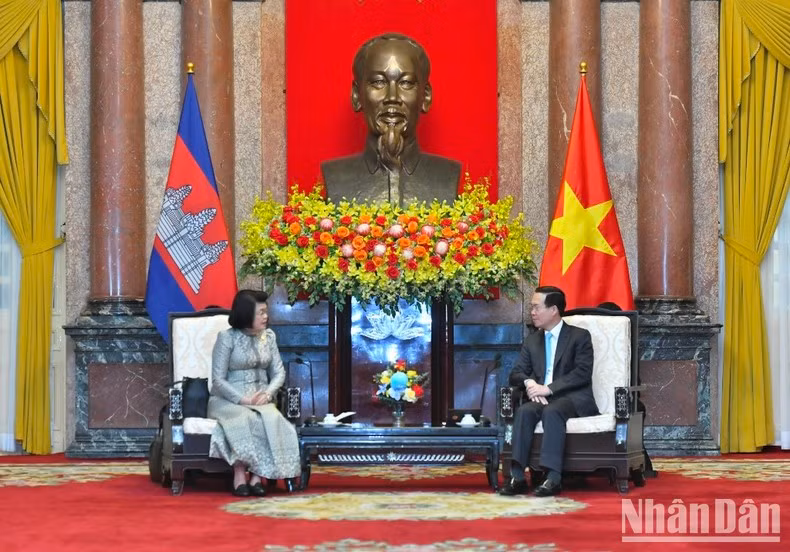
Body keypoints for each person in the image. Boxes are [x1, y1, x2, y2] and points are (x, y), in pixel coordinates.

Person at [321, 33, 461, 207]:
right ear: (357, 95)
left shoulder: (447, 176)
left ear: (425, 96)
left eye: (406, 83)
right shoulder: (335, 177)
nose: (392, 97)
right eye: (378, 82)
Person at [500, 286, 599, 497]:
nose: (532, 312)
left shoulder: (579, 336)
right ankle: (517, 477)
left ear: (553, 310)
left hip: (572, 398)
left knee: (552, 411)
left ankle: (553, 478)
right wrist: (530, 383)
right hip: (541, 399)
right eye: (532, 308)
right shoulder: (532, 340)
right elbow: (516, 373)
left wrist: (548, 389)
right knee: (524, 411)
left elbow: (582, 373)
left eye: (537, 307)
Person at [208, 289, 301, 497]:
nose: (266, 317)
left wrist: (268, 394)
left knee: (270, 418)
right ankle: (240, 474)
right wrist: (243, 399)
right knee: (247, 418)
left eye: (266, 312)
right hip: (228, 401)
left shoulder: (269, 337)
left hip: (261, 400)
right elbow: (218, 380)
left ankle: (258, 476)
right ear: (246, 314)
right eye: (261, 313)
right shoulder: (227, 338)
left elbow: (279, 372)